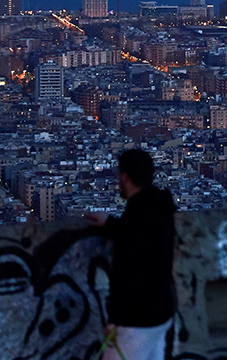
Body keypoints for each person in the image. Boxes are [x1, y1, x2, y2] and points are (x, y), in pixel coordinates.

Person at [87, 149, 177, 360]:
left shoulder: (136, 216)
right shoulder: (160, 208)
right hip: (162, 314)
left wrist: (115, 321)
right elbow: (145, 240)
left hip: (136, 323)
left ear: (125, 177)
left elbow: (128, 272)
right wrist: (111, 225)